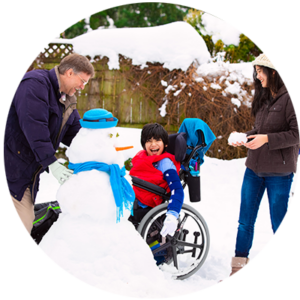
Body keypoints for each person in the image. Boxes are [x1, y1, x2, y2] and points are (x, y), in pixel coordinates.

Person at [4, 53, 95, 234]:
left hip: (28, 175)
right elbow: (34, 128)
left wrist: (98, 151)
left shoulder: (67, 99)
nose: (82, 87)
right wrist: (52, 163)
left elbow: (76, 134)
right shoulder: (35, 84)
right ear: (69, 72)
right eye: (82, 81)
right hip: (11, 169)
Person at [229, 53, 299, 275]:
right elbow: (260, 131)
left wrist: (266, 139)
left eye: (261, 71)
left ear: (274, 72)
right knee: (244, 222)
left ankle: (288, 270)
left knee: (279, 224)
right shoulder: (263, 97)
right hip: (254, 170)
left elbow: (296, 134)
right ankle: (237, 270)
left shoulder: (290, 98)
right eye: (256, 71)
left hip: (279, 173)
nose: (258, 76)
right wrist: (244, 136)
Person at [128, 123, 184, 237]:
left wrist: (172, 214)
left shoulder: (165, 163)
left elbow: (177, 189)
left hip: (146, 204)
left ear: (165, 143)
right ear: (144, 144)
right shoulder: (143, 158)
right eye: (149, 140)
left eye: (157, 140)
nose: (153, 144)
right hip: (134, 197)